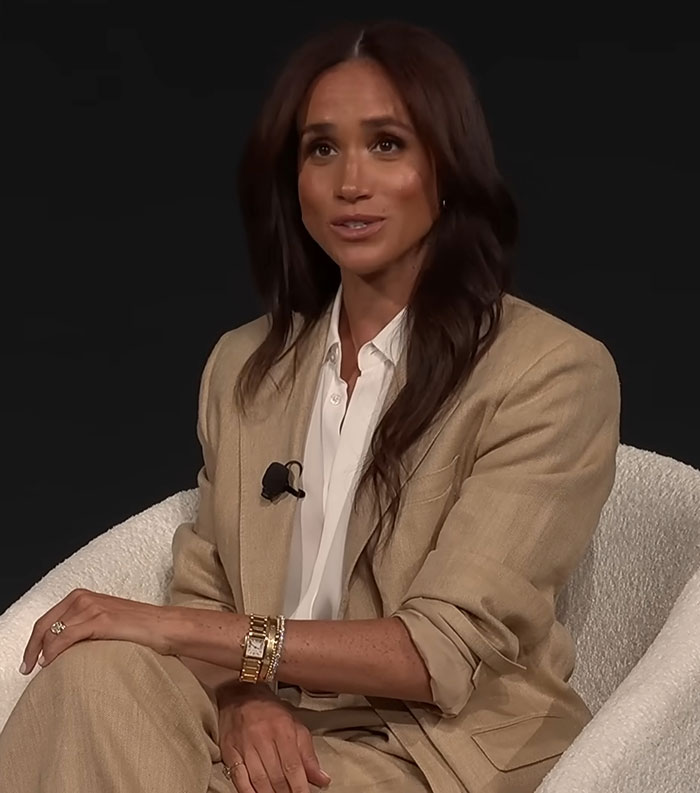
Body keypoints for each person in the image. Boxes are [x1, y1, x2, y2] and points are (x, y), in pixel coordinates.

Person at [0, 18, 621, 793]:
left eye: (387, 144)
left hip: (432, 744)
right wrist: (242, 696)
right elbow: (209, 585)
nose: (349, 182)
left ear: (447, 167)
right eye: (321, 148)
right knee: (90, 678)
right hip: (267, 713)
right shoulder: (244, 366)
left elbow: (436, 652)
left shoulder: (551, 371)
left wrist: (174, 627)